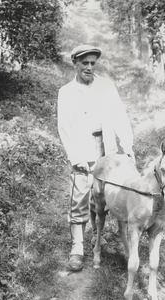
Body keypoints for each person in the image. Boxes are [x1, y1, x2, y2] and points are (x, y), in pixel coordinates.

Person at [57, 44, 135, 272]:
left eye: (93, 63)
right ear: (75, 64)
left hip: (105, 146)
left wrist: (127, 145)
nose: (89, 68)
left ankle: (97, 236)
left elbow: (120, 115)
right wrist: (75, 156)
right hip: (82, 147)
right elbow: (64, 126)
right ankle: (77, 248)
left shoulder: (106, 86)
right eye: (85, 63)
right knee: (80, 194)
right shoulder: (66, 92)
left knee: (103, 193)